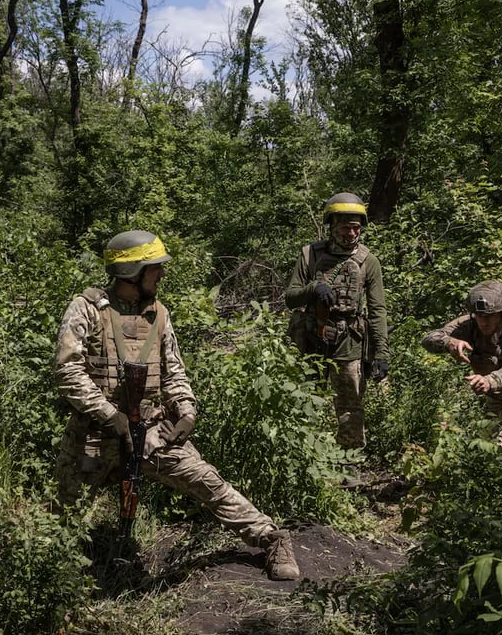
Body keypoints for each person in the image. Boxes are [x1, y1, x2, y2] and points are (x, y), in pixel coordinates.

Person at [53, 229, 300, 581]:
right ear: (132, 272)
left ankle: (271, 537)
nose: (162, 274)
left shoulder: (159, 314)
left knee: (208, 483)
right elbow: (67, 371)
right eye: (155, 268)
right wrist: (110, 415)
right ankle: (53, 577)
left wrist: (186, 412)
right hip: (93, 435)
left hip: (151, 432)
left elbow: (174, 373)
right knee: (60, 520)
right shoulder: (88, 309)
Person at [284, 192, 389, 450]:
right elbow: (290, 298)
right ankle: (310, 458)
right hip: (312, 338)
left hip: (349, 341)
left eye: (356, 228)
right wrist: (313, 288)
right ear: (332, 226)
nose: (351, 234)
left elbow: (377, 310)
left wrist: (381, 353)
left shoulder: (368, 262)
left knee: (350, 406)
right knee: (306, 399)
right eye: (345, 228)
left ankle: (350, 462)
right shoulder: (310, 255)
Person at [421, 280, 502, 451]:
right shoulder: (470, 324)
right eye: (479, 315)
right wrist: (449, 342)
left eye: (489, 316)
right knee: (478, 451)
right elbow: (428, 339)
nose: (483, 321)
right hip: (495, 400)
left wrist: (490, 381)